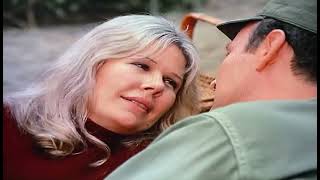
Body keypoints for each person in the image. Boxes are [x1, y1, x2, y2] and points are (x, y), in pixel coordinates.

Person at [105, 0, 317, 179]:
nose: (214, 83)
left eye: (229, 53)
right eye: (141, 66)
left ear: (269, 47)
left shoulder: (230, 132)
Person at [3, 14, 201, 180]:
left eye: (170, 82)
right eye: (142, 66)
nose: (157, 85)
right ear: (93, 63)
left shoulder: (164, 161)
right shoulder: (10, 124)